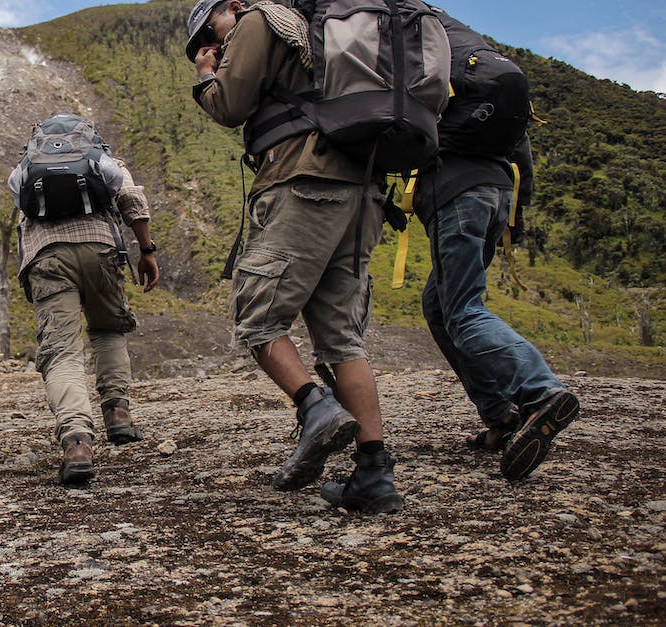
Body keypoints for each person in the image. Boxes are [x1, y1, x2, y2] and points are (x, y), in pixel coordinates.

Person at [185, 0, 403, 513]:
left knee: (257, 317)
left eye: (207, 34)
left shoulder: (259, 20)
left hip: (303, 183)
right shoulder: (321, 32)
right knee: (341, 339)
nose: (206, 47)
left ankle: (314, 407)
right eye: (199, 48)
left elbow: (228, 106)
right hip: (364, 191)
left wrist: (205, 73)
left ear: (231, 6)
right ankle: (374, 473)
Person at [7, 113, 160, 486]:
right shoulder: (101, 158)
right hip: (101, 249)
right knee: (108, 330)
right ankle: (118, 415)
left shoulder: (27, 164)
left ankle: (77, 443)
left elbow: (22, 208)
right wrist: (147, 249)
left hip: (47, 257)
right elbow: (131, 199)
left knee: (61, 352)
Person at [417, 134, 580, 480]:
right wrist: (518, 209)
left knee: (461, 310)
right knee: (437, 306)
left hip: (457, 193)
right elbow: (521, 147)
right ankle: (501, 418)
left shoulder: (434, 80)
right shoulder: (498, 79)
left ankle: (540, 392)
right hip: (498, 193)